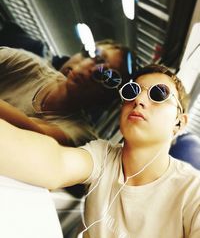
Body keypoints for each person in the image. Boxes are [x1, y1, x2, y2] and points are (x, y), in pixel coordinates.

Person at [0, 64, 199, 238]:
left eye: (158, 94)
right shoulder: (102, 156)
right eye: (132, 91)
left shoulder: (192, 192)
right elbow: (54, 162)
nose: (139, 100)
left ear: (178, 122)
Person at [0, 40, 136, 146]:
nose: (93, 70)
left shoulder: (80, 135)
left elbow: (31, 132)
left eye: (108, 77)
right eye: (96, 56)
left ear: (105, 98)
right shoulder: (24, 65)